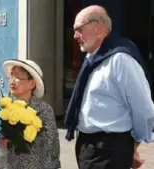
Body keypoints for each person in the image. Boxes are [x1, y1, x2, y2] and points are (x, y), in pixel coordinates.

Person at [64, 5, 154, 169]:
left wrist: (133, 145)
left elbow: (144, 109)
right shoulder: (93, 57)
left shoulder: (121, 59)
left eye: (79, 29)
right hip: (89, 147)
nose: (75, 35)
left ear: (98, 27)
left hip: (108, 149)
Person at [0, 59, 61, 169]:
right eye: (11, 77)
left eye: (17, 77)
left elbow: (50, 146)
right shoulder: (9, 108)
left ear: (32, 84)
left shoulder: (44, 110)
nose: (12, 81)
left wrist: (13, 143)